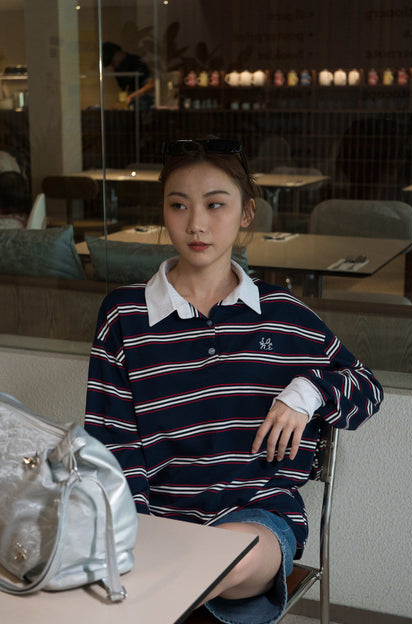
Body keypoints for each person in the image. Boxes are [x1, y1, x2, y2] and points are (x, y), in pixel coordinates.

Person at [84, 138, 383, 624]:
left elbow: (367, 387)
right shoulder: (125, 314)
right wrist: (135, 531)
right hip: (158, 523)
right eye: (179, 205)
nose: (196, 224)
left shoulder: (282, 314)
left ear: (246, 214)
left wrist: (308, 393)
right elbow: (111, 438)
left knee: (220, 558)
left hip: (257, 522)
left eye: (215, 205)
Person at [102, 41, 154, 110]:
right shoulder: (118, 69)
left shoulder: (136, 62)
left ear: (117, 53)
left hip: (144, 106)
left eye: (112, 61)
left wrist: (130, 97)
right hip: (132, 107)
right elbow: (125, 92)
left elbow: (151, 85)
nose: (113, 65)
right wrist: (121, 104)